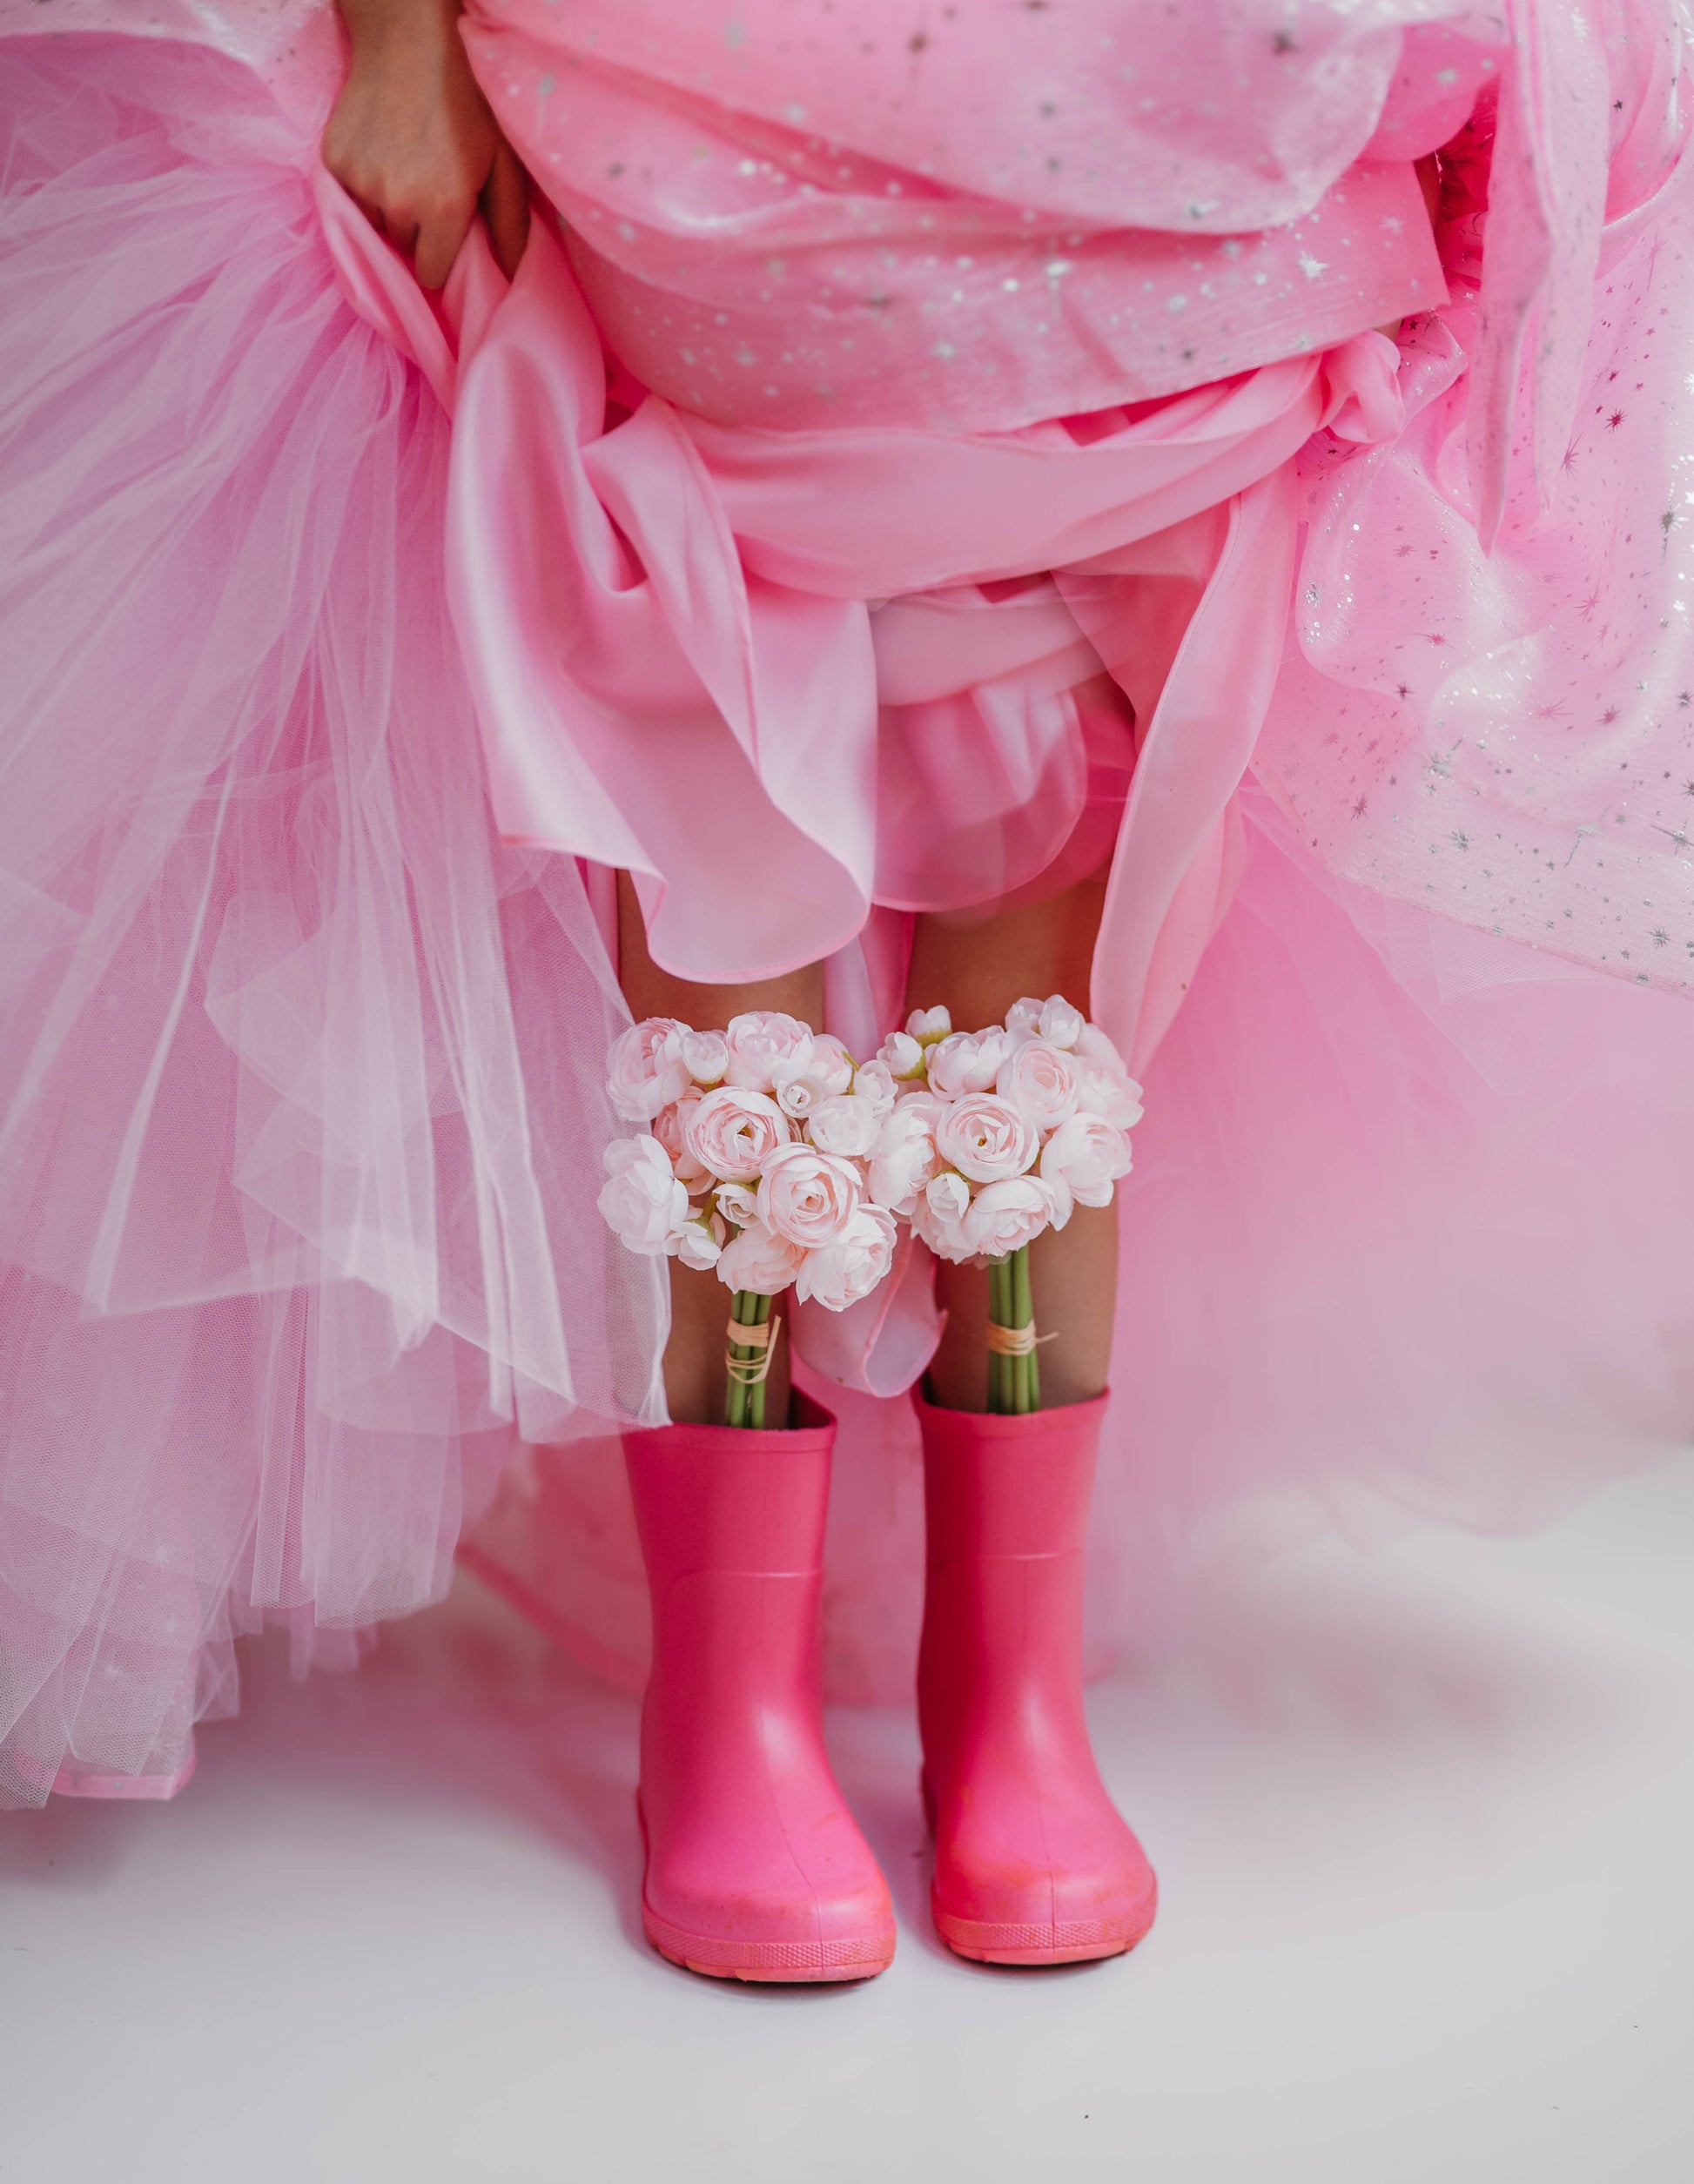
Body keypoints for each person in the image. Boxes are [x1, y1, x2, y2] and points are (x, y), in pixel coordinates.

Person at [3, 0, 1693, 1985]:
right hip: (696, 141)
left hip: (1137, 157)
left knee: (1034, 992)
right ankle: (727, 1707)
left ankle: (1008, 1691)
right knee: (713, 902)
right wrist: (395, 34)